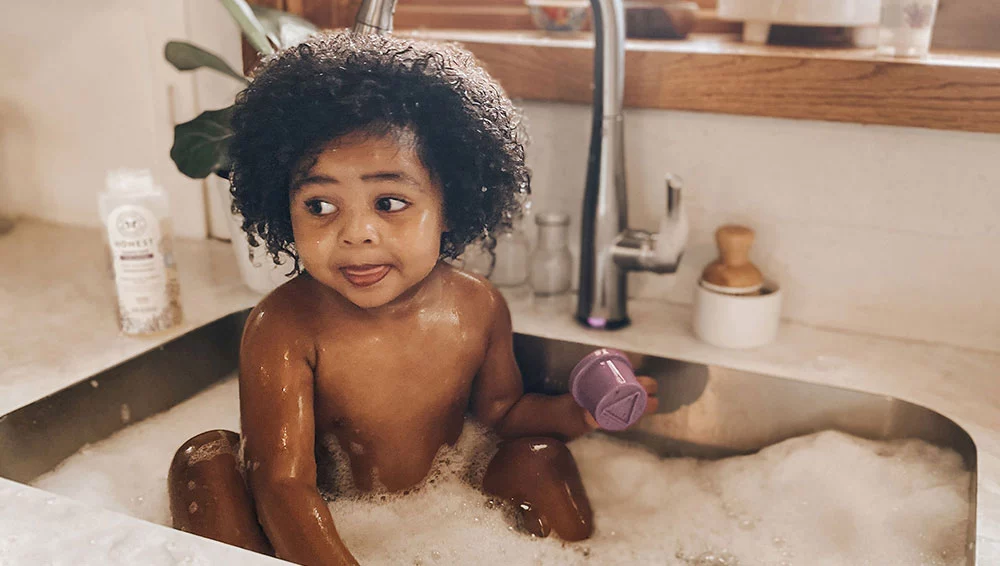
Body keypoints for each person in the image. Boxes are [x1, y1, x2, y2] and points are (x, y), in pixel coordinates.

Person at [167, 30, 658, 566]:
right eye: (320, 206)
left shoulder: (477, 307)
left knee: (541, 458)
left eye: (390, 201)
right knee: (204, 462)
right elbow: (282, 485)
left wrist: (577, 413)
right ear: (283, 208)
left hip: (443, 503)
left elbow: (504, 412)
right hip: (320, 522)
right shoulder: (285, 326)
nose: (357, 233)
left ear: (450, 205)